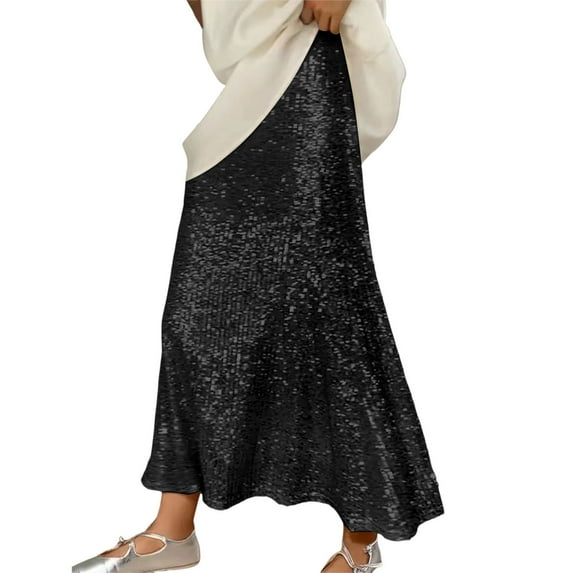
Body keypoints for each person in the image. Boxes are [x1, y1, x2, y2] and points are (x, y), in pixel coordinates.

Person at [72, 0, 444, 571]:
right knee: (194, 319)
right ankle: (175, 528)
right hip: (249, 84)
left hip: (313, 67)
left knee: (329, 308)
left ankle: (360, 543)